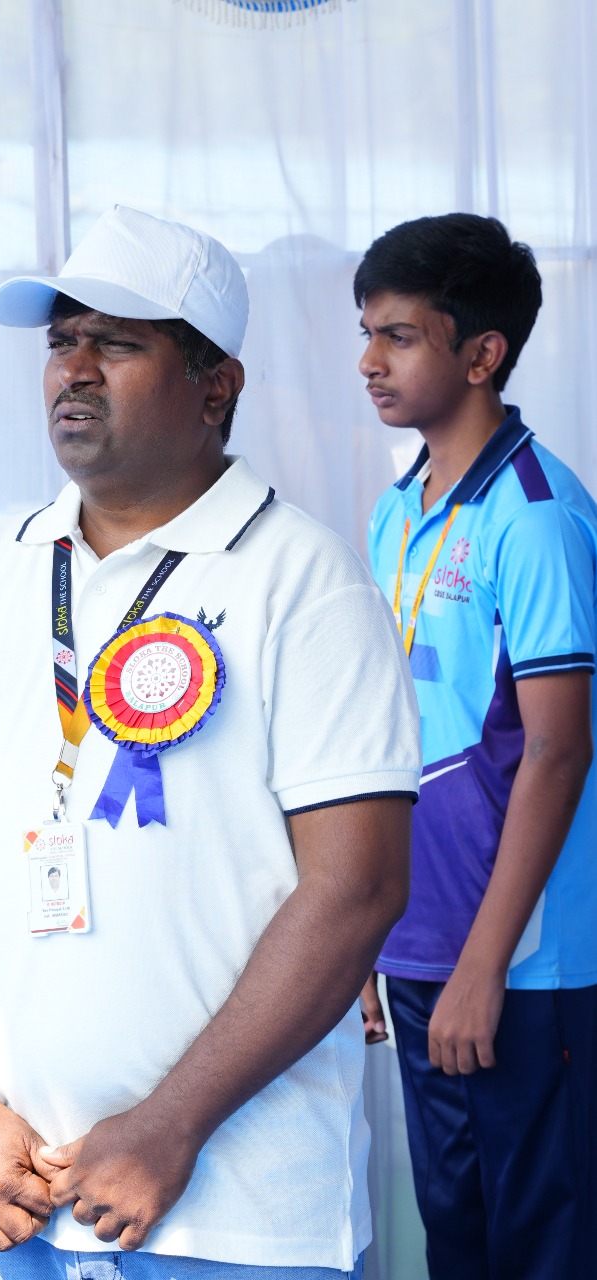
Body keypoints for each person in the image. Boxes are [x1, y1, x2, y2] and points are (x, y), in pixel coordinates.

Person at [0, 204, 420, 1280]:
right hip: (17, 1200)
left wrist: (172, 1121)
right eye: (62, 340)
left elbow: (357, 888)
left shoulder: (301, 579)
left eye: (116, 343)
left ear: (216, 386)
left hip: (238, 1219)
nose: (74, 369)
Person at [356, 212, 597, 1280]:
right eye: (366, 333)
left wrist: (483, 965)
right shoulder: (395, 510)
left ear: (481, 353)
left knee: (541, 1246)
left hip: (520, 963)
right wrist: (367, 933)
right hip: (419, 940)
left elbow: (556, 752)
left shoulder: (535, 516)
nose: (369, 361)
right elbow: (384, 737)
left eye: (399, 335)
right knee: (455, 1237)